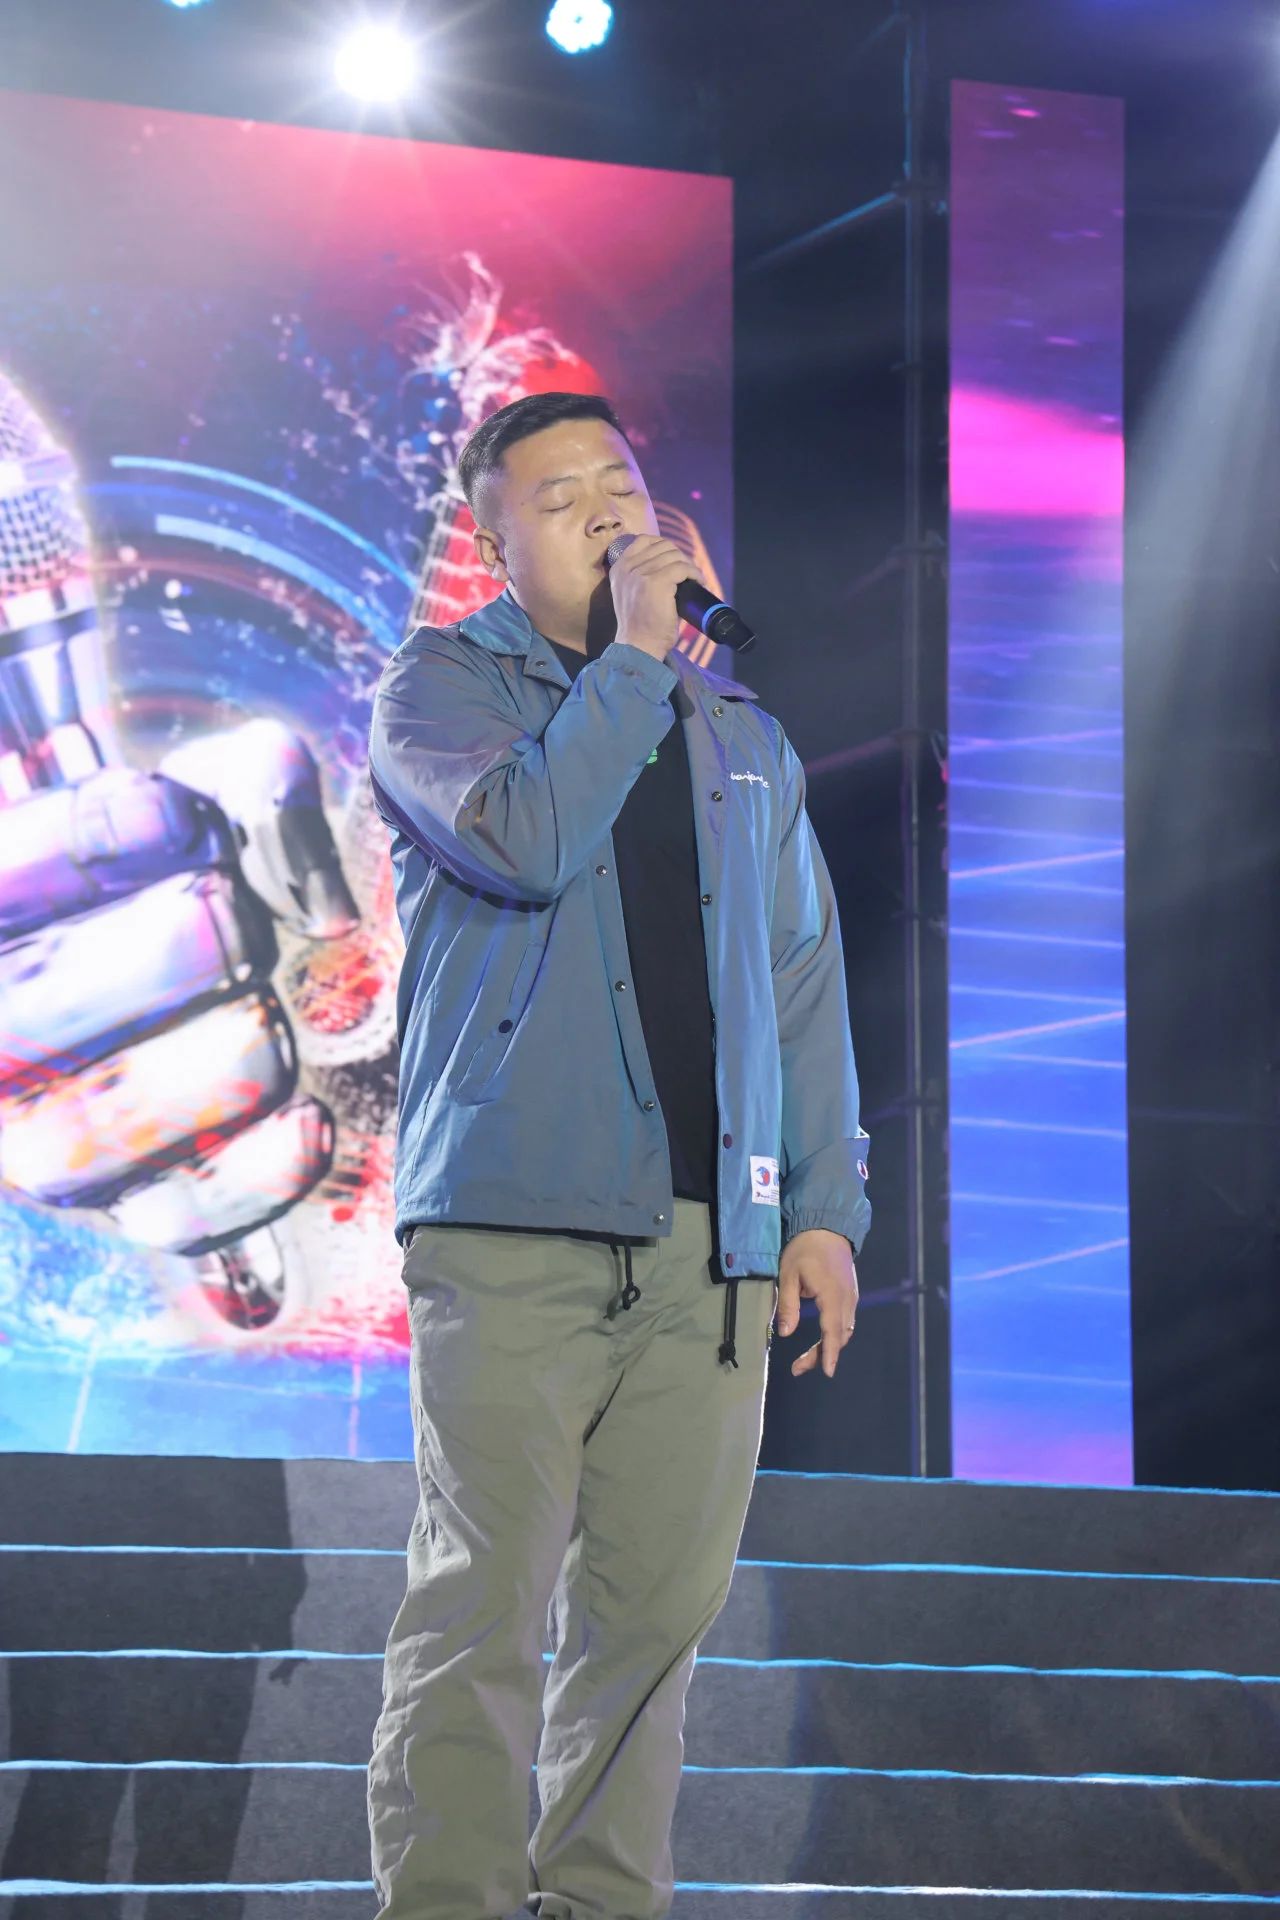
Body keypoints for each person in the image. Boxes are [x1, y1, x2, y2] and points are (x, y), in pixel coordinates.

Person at [365, 391, 871, 1920]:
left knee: (651, 1628)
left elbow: (801, 981)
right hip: (515, 1226)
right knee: (485, 1607)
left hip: (710, 1248)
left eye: (620, 482)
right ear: (491, 540)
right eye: (559, 492)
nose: (602, 508)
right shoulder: (441, 689)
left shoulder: (744, 741)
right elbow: (521, 837)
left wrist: (823, 1210)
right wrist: (639, 661)